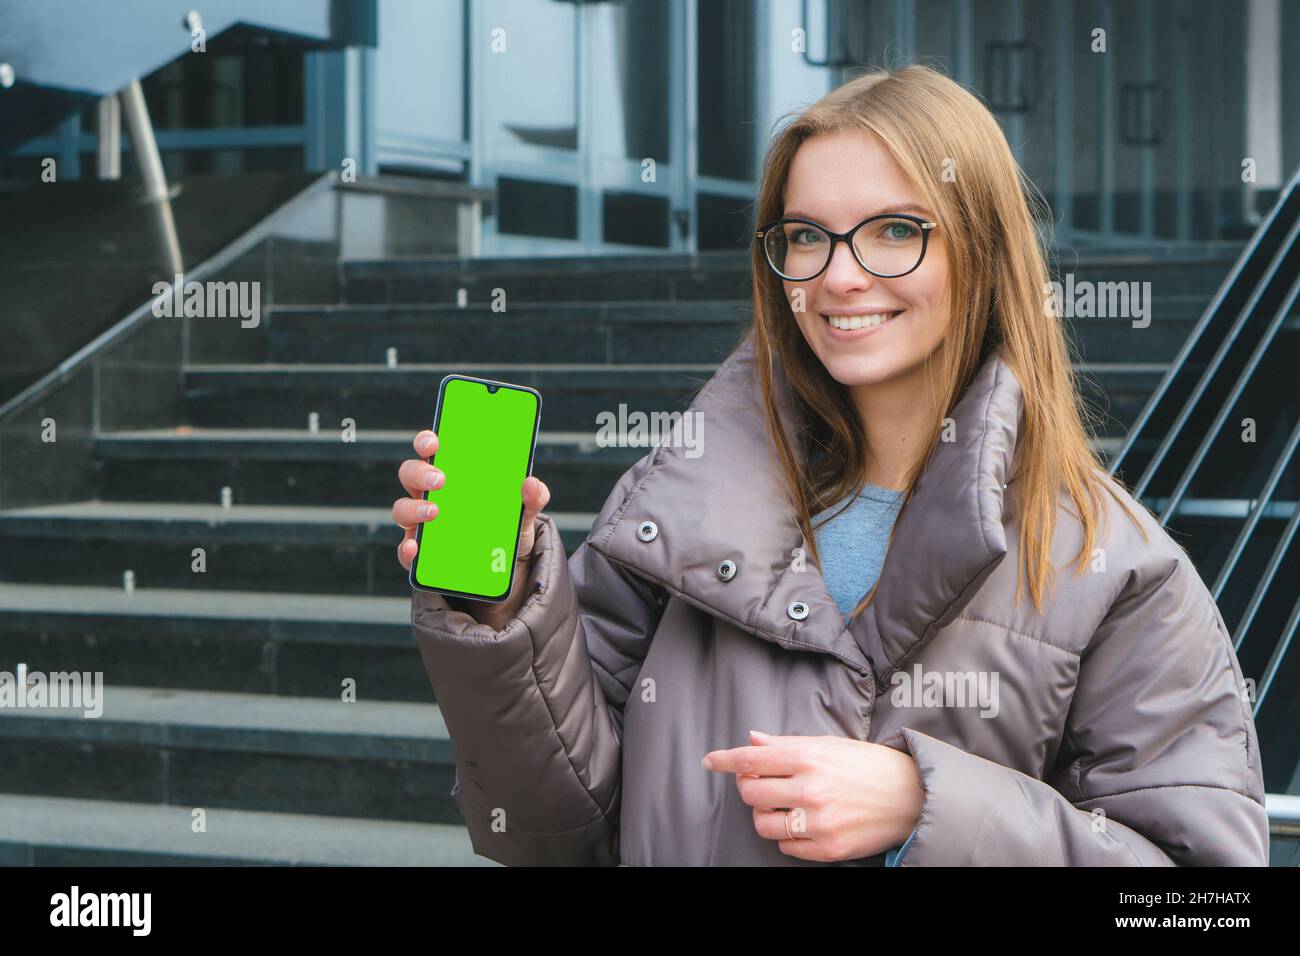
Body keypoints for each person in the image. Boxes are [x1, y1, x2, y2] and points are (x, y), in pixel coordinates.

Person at [391, 64, 1269, 866]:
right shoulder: (680, 508)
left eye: (894, 231)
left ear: (986, 249)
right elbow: (551, 827)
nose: (841, 276)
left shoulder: (1117, 569)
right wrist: (500, 608)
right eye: (807, 236)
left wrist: (930, 806)